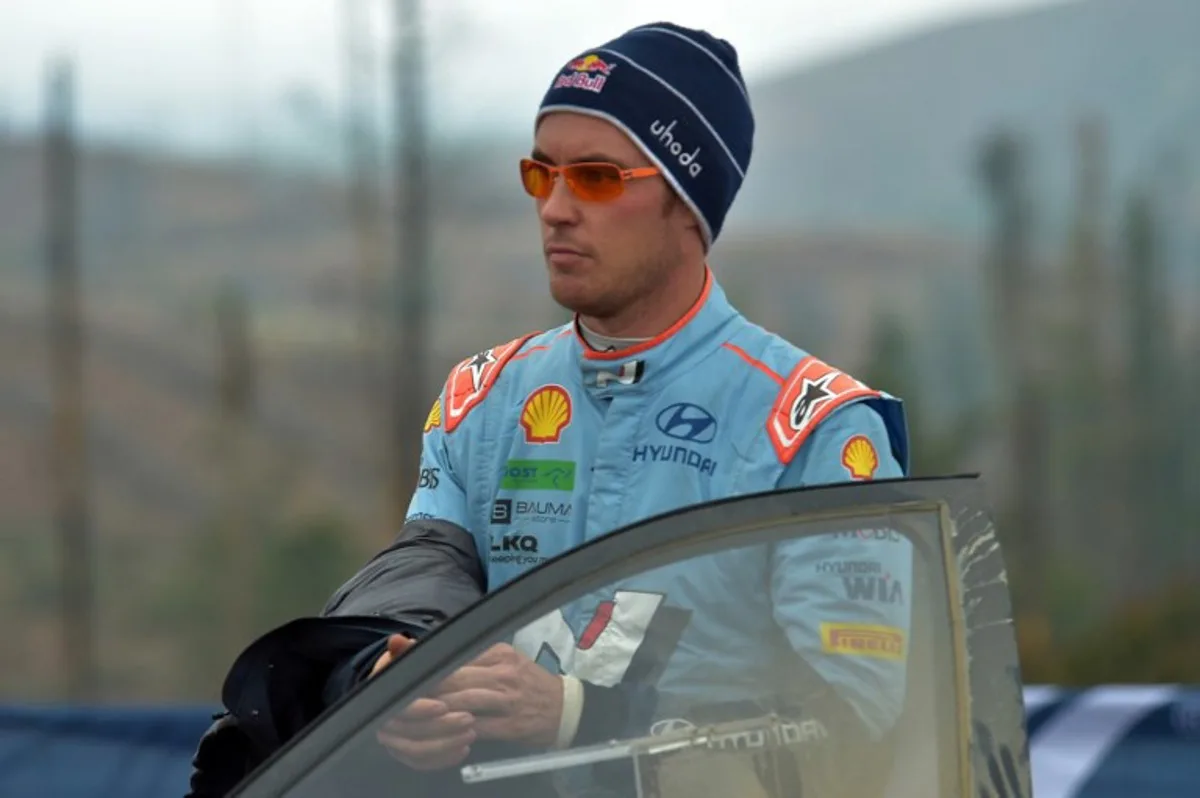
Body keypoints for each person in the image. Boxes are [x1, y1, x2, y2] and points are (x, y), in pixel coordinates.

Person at [187, 21, 913, 798]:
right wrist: (391, 677)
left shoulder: (817, 428)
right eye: (542, 174)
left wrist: (579, 715)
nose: (557, 208)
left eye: (596, 178)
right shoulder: (482, 399)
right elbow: (424, 575)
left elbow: (850, 729)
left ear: (689, 204)